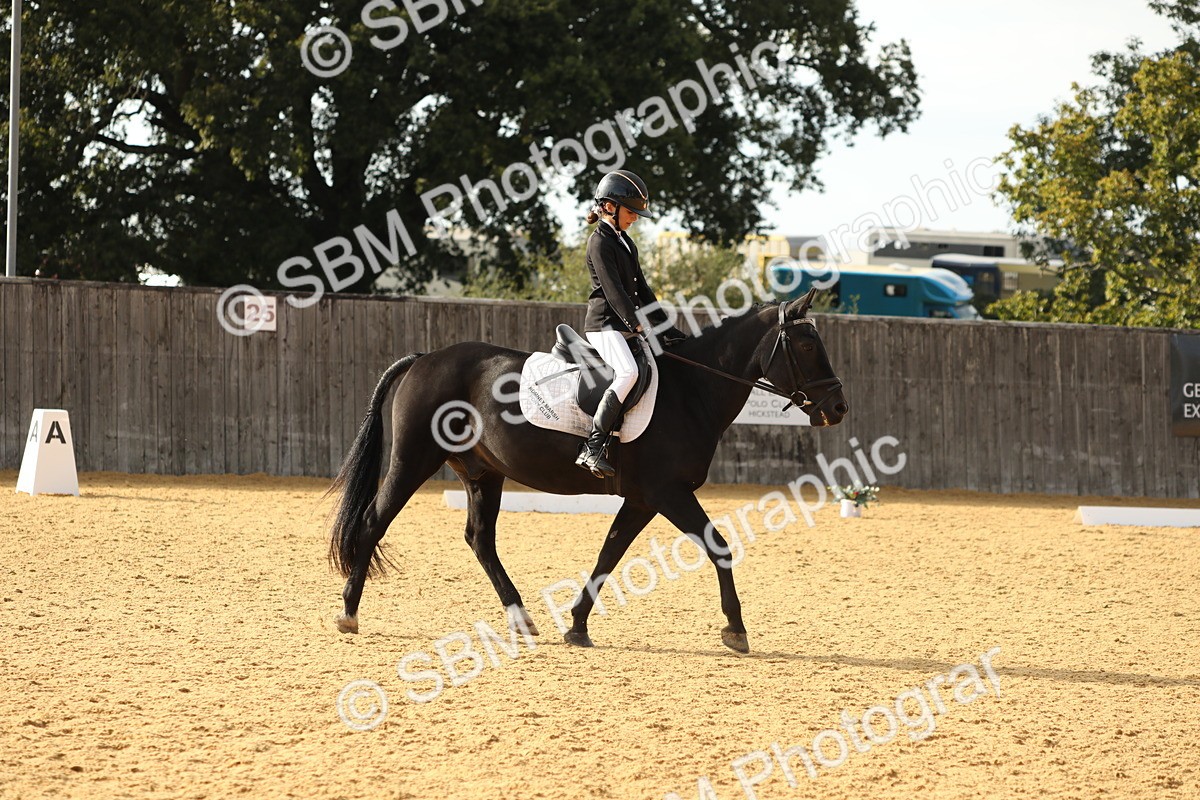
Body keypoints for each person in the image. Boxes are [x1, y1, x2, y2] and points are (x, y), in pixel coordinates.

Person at [576, 170, 686, 477]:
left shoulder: (625, 242)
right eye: (631, 212)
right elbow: (614, 292)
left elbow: (643, 292)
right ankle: (593, 447)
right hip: (604, 325)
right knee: (628, 373)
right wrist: (637, 325)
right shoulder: (599, 243)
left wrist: (667, 329)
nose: (635, 219)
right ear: (610, 207)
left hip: (623, 324)